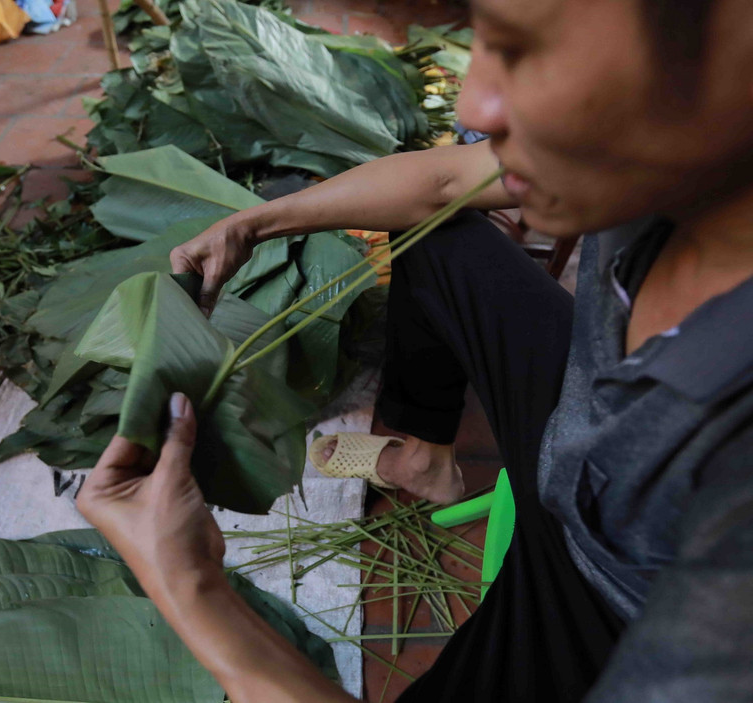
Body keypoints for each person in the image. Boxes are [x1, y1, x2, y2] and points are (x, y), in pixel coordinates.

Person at [76, 0, 753, 700]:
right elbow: (444, 182)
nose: (473, 105)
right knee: (437, 236)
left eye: (538, 51)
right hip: (581, 425)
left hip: (603, 596)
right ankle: (427, 458)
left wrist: (190, 585)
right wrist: (254, 224)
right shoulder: (672, 149)